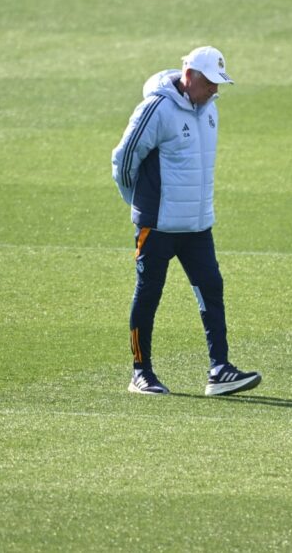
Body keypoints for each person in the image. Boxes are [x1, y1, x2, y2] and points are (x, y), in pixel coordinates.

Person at [111, 46, 262, 396]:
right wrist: (137, 203)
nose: (215, 90)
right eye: (209, 82)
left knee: (212, 288)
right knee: (148, 295)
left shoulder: (210, 111)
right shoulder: (157, 108)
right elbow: (124, 158)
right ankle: (141, 372)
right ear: (189, 75)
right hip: (158, 225)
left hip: (197, 227)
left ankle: (220, 369)